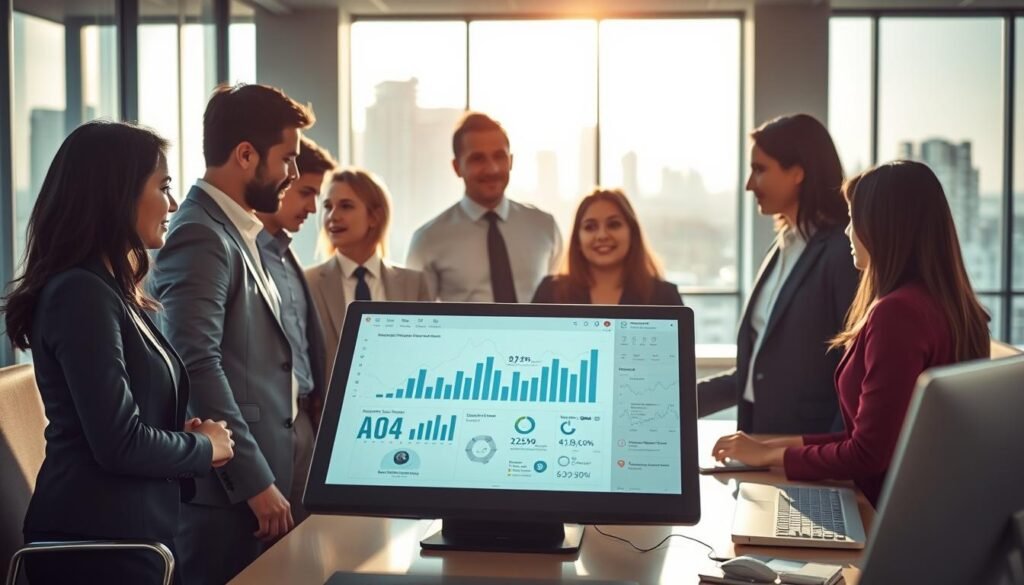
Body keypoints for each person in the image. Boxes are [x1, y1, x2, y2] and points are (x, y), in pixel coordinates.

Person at [1, 120, 234, 584]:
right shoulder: (80, 294)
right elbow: (119, 444)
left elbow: (123, 420)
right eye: (163, 187)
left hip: (133, 538)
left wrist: (177, 430)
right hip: (99, 549)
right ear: (116, 194)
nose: (171, 204)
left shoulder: (113, 291)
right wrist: (203, 447)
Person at [711, 160, 991, 507]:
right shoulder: (949, 306)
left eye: (853, 219)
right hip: (929, 509)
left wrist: (771, 457)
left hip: (884, 515)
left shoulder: (897, 313)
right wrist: (775, 447)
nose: (847, 232)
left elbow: (867, 454)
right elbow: (879, 434)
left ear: (882, 227)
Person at [149, 83, 314, 585]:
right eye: (287, 158)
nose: (293, 174)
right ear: (246, 155)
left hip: (252, 491)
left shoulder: (236, 232)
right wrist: (254, 481)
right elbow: (195, 362)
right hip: (227, 496)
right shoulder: (200, 233)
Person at [698, 114, 860, 434]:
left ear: (797, 172)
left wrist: (836, 458)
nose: (749, 184)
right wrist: (670, 403)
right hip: (762, 439)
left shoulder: (842, 252)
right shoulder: (784, 246)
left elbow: (856, 367)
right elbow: (758, 371)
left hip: (807, 454)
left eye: (759, 169)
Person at [254, 135, 336, 525]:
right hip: (261, 431)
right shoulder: (240, 256)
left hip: (304, 422)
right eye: (305, 192)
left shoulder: (288, 258)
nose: (311, 208)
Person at [406, 112, 562, 302]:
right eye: (478, 159)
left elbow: (559, 302)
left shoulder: (544, 227)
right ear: (456, 167)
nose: (492, 169)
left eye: (499, 157)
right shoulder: (428, 239)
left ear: (511, 161)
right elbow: (416, 315)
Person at [305, 168, 432, 379]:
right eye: (327, 207)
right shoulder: (308, 283)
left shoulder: (414, 284)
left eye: (346, 206)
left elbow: (425, 355)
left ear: (375, 216)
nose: (333, 216)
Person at [531, 188, 682, 305]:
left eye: (614, 224)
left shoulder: (664, 295)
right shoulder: (550, 292)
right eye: (590, 227)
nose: (602, 235)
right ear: (577, 239)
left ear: (632, 233)